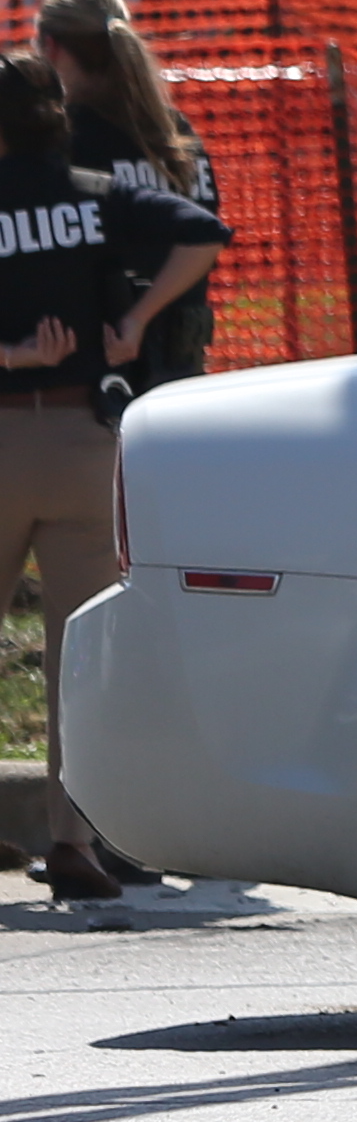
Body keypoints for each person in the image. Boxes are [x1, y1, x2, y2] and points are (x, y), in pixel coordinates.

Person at [0, 44, 223, 901]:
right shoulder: (93, 199)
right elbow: (203, 230)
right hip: (85, 445)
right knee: (74, 663)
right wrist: (132, 318)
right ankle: (74, 845)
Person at [31, 0, 218, 392]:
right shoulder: (173, 132)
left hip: (102, 367)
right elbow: (205, 240)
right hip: (179, 362)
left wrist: (136, 318)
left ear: (51, 48)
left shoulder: (63, 140)